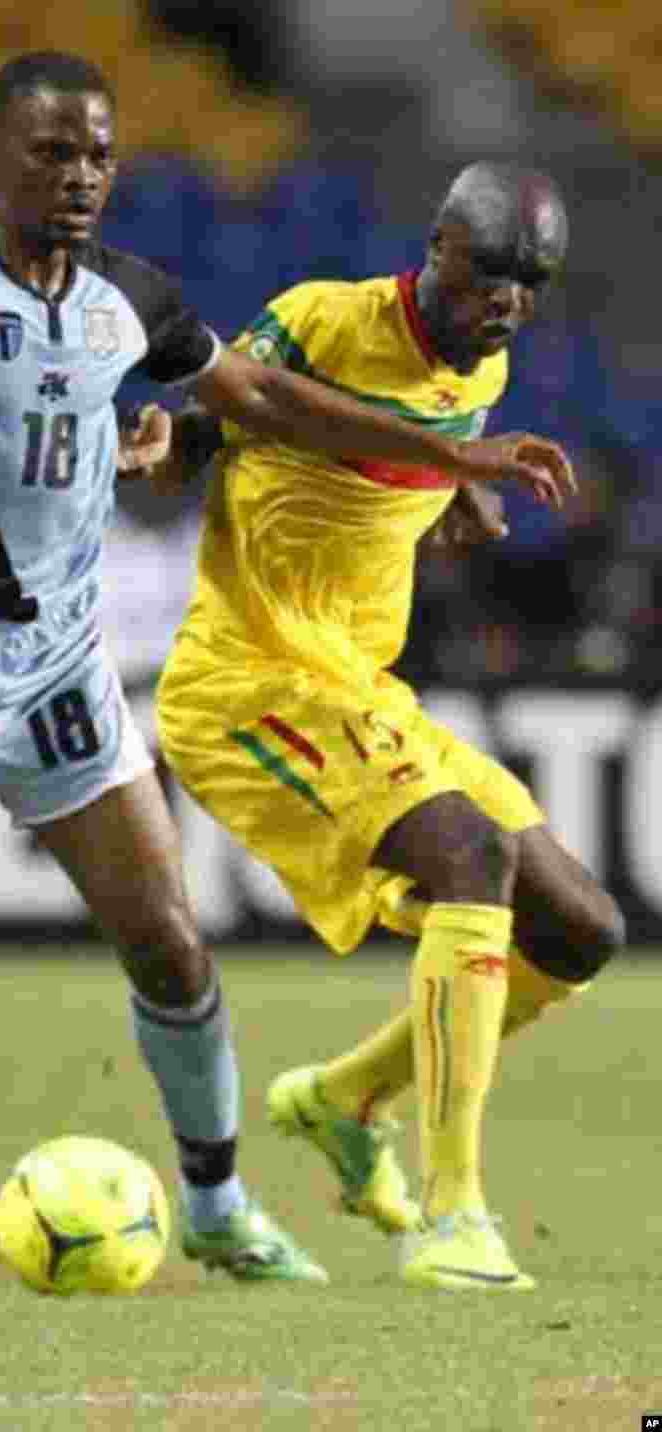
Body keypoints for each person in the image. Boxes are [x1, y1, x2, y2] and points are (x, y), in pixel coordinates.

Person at [0, 52, 573, 1291]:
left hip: (56, 661)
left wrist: (447, 459)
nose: (79, 176)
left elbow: (265, 396)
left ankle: (215, 1203)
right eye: (51, 152)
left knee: (171, 946)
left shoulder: (124, 300)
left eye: (97, 154)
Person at [156, 162, 624, 1291]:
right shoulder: (325, 319)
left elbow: (396, 447)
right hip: (249, 682)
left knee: (579, 929)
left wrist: (445, 485)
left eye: (531, 283)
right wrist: (452, 461)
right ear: (438, 251)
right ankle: (454, 1216)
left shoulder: (480, 367)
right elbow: (232, 408)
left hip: (360, 688)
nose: (507, 301)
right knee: (471, 856)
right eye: (491, 276)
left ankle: (344, 1096)